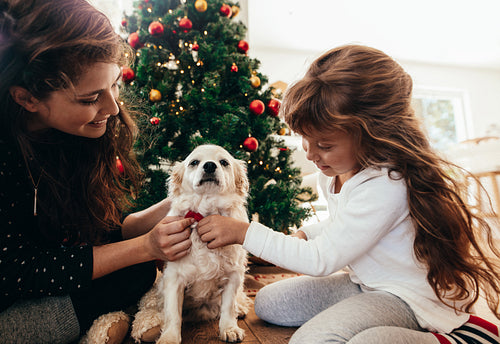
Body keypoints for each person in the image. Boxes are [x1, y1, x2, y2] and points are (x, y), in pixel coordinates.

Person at [197, 44, 500, 343]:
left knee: (313, 341)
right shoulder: (334, 174)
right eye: (305, 139)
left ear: (372, 134)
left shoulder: (386, 184)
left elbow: (320, 261)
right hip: (367, 283)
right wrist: (307, 233)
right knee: (269, 303)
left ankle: (461, 338)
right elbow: (348, 223)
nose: (312, 154)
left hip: (407, 297)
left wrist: (244, 232)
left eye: (325, 145)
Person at [0, 0, 195, 343]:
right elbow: (17, 272)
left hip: (52, 279)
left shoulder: (72, 136)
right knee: (134, 271)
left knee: (133, 270)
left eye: (115, 84)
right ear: (27, 98)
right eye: (90, 99)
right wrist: (145, 248)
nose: (112, 107)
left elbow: (104, 232)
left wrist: (181, 198)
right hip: (12, 302)